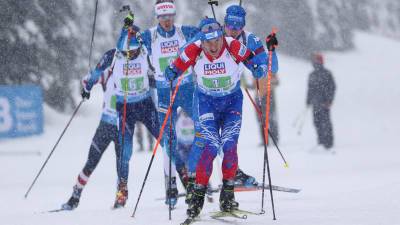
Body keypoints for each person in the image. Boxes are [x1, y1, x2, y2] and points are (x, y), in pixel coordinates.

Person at [165, 17, 278, 218]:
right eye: (209, 42)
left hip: (231, 102)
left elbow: (253, 62)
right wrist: (171, 72)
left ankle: (227, 195)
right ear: (202, 41)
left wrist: (258, 68)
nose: (214, 45)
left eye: (217, 40)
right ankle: (197, 196)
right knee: (210, 145)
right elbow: (175, 66)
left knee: (229, 145)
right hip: (206, 102)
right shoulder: (194, 49)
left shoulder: (233, 45)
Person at [79, 24, 160, 208]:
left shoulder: (141, 60)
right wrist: (86, 88)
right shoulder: (110, 66)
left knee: (124, 158)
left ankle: (121, 197)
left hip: (133, 111)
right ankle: (80, 196)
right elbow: (90, 78)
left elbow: (154, 77)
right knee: (96, 161)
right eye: (125, 53)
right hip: (110, 121)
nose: (128, 58)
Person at [136, 0, 199, 206]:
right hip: (164, 91)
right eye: (162, 17)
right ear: (157, 17)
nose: (166, 21)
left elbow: (207, 34)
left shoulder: (184, 32)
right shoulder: (149, 35)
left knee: (204, 129)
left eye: (169, 16)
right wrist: (128, 29)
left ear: (174, 15)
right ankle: (171, 182)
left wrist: (210, 25)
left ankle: (201, 175)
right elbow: (129, 44)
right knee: (168, 139)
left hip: (186, 88)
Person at [222, 4, 279, 185]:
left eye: (237, 26)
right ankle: (197, 179)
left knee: (229, 139)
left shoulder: (250, 40)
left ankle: (232, 174)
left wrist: (271, 51)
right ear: (224, 23)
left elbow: (271, 68)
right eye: (230, 25)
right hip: (206, 93)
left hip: (231, 95)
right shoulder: (215, 35)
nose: (232, 30)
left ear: (243, 26)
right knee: (206, 141)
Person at [61, 60, 120, 210]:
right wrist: (89, 79)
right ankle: (75, 197)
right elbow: (89, 80)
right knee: (91, 162)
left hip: (123, 128)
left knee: (122, 167)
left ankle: (120, 199)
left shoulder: (132, 75)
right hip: (105, 127)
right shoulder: (108, 75)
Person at [306, 53, 336, 151]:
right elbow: (310, 89)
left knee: (326, 123)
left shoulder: (327, 73)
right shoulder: (312, 75)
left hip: (324, 103)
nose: (315, 63)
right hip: (315, 103)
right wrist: (308, 100)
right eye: (314, 61)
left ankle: (328, 143)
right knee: (316, 122)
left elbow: (332, 87)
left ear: (321, 62)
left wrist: (329, 100)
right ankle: (321, 141)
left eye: (317, 61)